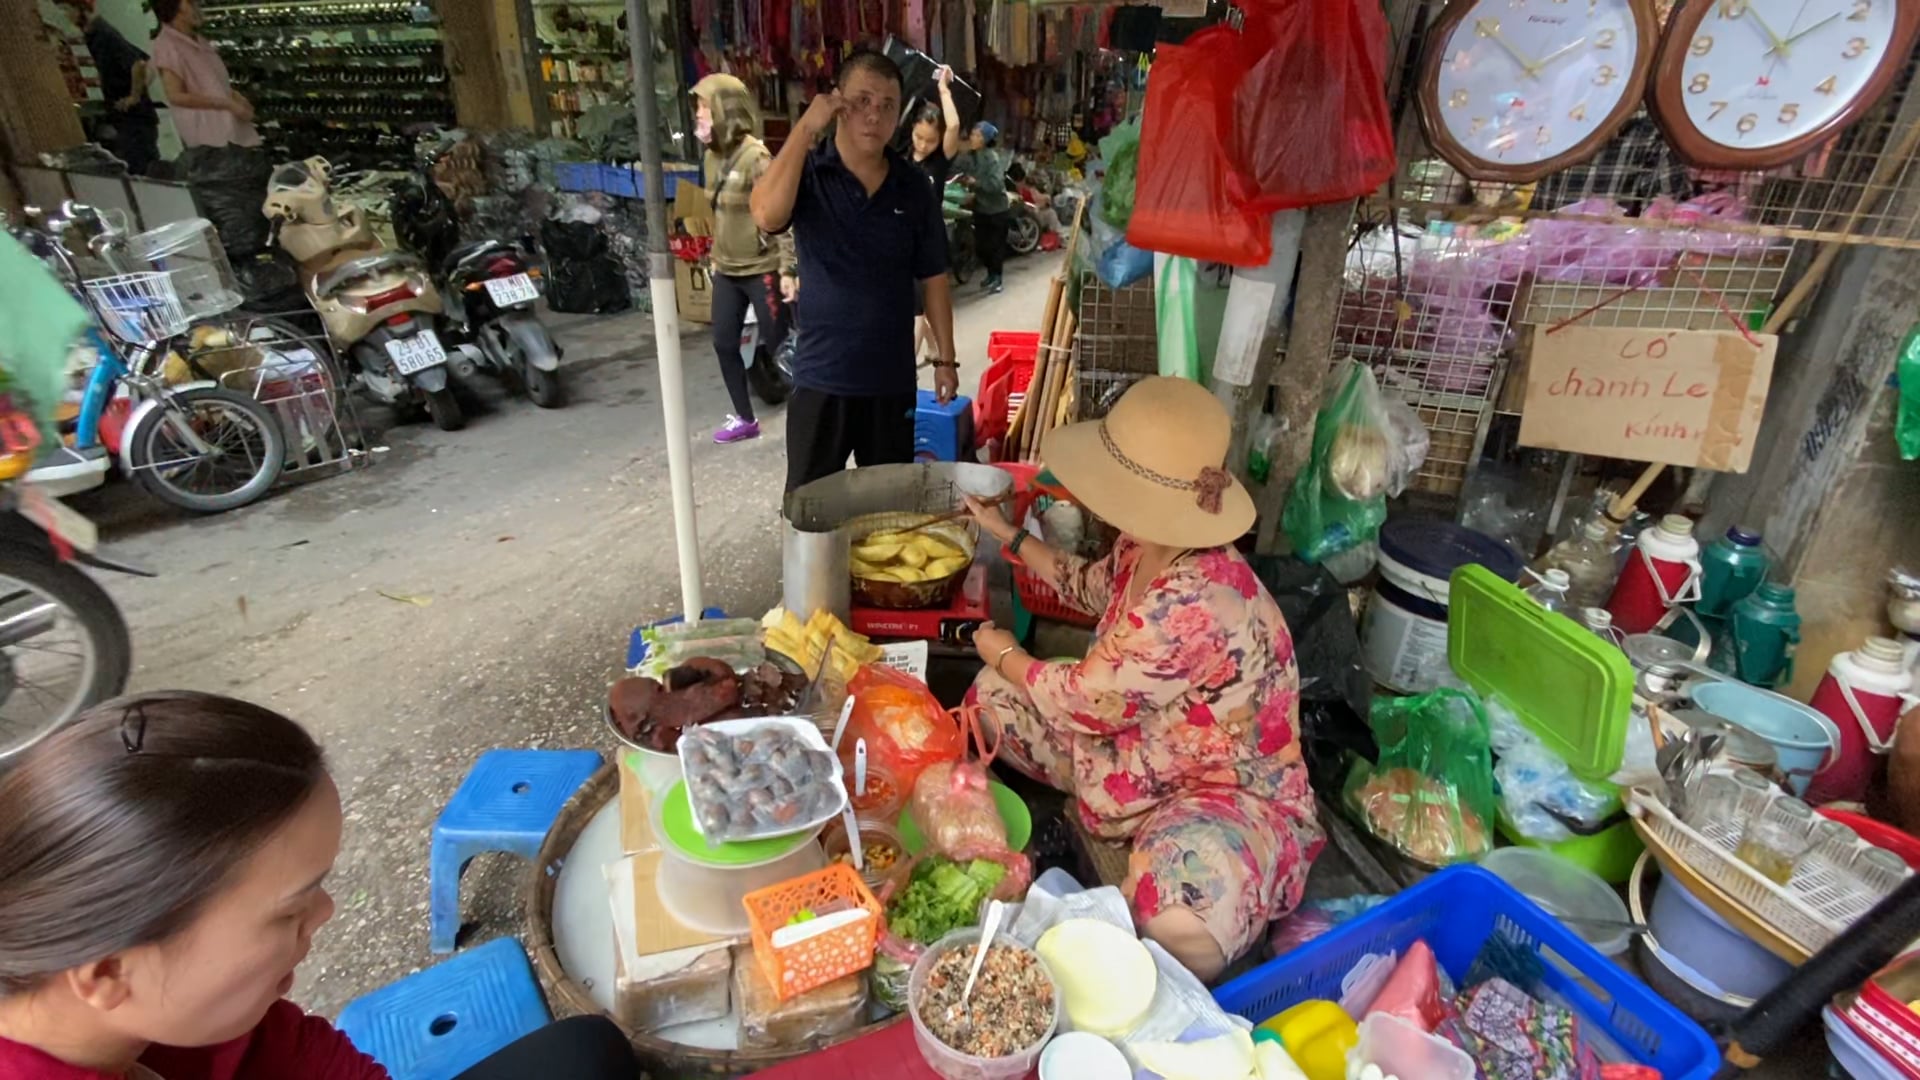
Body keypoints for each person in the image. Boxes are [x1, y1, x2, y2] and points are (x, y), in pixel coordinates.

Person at [0, 691, 641, 1080]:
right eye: (287, 914)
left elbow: (296, 1056)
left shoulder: (177, 1009)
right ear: (108, 972)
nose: (326, 913)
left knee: (588, 1052)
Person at [961, 378, 1323, 982]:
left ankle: (1177, 873)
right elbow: (1090, 585)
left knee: (1176, 920)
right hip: (1135, 751)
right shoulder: (1147, 545)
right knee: (987, 704)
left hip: (1217, 789)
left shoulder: (1200, 597)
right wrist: (1010, 536)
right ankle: (1122, 825)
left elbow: (1085, 699)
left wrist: (1007, 655)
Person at [750, 49, 957, 493]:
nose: (874, 116)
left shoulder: (913, 187)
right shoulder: (809, 171)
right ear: (839, 103)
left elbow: (935, 279)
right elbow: (766, 214)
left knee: (887, 515)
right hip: (821, 381)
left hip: (890, 384)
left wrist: (945, 360)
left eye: (886, 105)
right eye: (862, 101)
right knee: (809, 515)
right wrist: (807, 127)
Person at [692, 73, 795, 446]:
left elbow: (781, 216)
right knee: (723, 342)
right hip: (727, 270)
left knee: (781, 344)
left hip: (762, 269)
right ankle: (745, 418)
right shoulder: (709, 158)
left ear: (725, 109)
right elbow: (718, 214)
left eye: (704, 107)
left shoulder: (757, 157)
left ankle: (807, 412)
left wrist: (787, 268)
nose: (699, 116)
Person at [150, 0, 271, 259]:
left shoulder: (199, 41)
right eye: (190, 3)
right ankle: (248, 258)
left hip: (231, 131)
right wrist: (226, 103)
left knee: (251, 193)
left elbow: (216, 83)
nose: (197, 7)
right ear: (176, 9)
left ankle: (262, 255)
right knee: (233, 202)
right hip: (210, 138)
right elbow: (176, 95)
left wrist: (237, 98)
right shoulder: (167, 45)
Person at [62, 1, 159, 177]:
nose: (65, 16)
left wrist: (134, 97)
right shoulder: (92, 37)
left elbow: (139, 64)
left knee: (143, 172)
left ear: (80, 9)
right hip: (125, 118)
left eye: (66, 10)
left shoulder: (104, 35)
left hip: (135, 121)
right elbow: (147, 63)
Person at [955, 121, 1011, 294]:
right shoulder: (970, 156)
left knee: (995, 246)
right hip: (981, 208)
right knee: (981, 246)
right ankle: (990, 275)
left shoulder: (992, 158)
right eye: (973, 134)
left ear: (986, 140)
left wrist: (976, 183)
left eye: (978, 135)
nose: (973, 138)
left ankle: (997, 278)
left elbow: (995, 184)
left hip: (997, 209)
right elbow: (958, 168)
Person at [908, 66, 963, 189]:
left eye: (931, 141)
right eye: (918, 137)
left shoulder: (941, 158)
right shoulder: (903, 152)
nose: (922, 145)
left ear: (941, 138)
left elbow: (953, 125)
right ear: (912, 128)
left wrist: (943, 89)